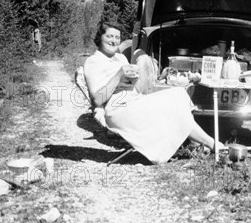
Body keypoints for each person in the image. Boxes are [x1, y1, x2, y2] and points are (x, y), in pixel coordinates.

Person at [83, 21, 223, 165]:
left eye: (117, 38)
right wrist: (118, 75)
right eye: (109, 36)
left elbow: (133, 85)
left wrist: (136, 77)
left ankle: (202, 143)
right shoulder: (94, 62)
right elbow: (97, 100)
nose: (113, 41)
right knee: (173, 104)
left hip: (134, 99)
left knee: (178, 94)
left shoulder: (120, 58)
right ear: (100, 37)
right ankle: (214, 145)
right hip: (118, 109)